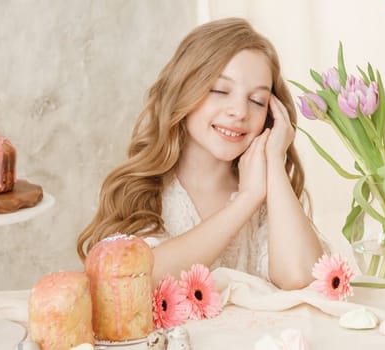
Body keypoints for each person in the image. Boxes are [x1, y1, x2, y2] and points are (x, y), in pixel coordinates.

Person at [76, 18, 325, 290]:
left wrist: (274, 161)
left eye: (257, 101)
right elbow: (139, 280)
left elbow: (303, 277)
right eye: (220, 90)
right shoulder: (144, 192)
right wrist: (245, 200)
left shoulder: (271, 197)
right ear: (184, 90)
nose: (239, 112)